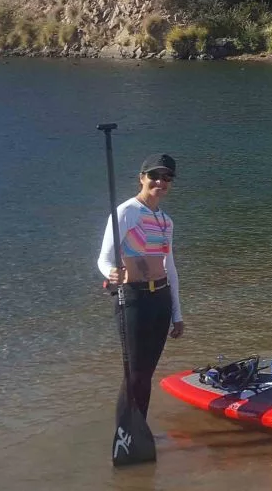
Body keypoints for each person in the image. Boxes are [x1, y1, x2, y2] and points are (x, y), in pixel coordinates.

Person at [97, 153, 185, 420]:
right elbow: (104, 258)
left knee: (146, 373)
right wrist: (110, 273)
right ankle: (126, 431)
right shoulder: (126, 212)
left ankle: (140, 426)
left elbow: (170, 267)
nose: (161, 181)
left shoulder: (166, 221)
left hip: (160, 299)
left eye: (167, 177)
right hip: (134, 298)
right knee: (134, 372)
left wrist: (177, 313)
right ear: (142, 178)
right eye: (154, 176)